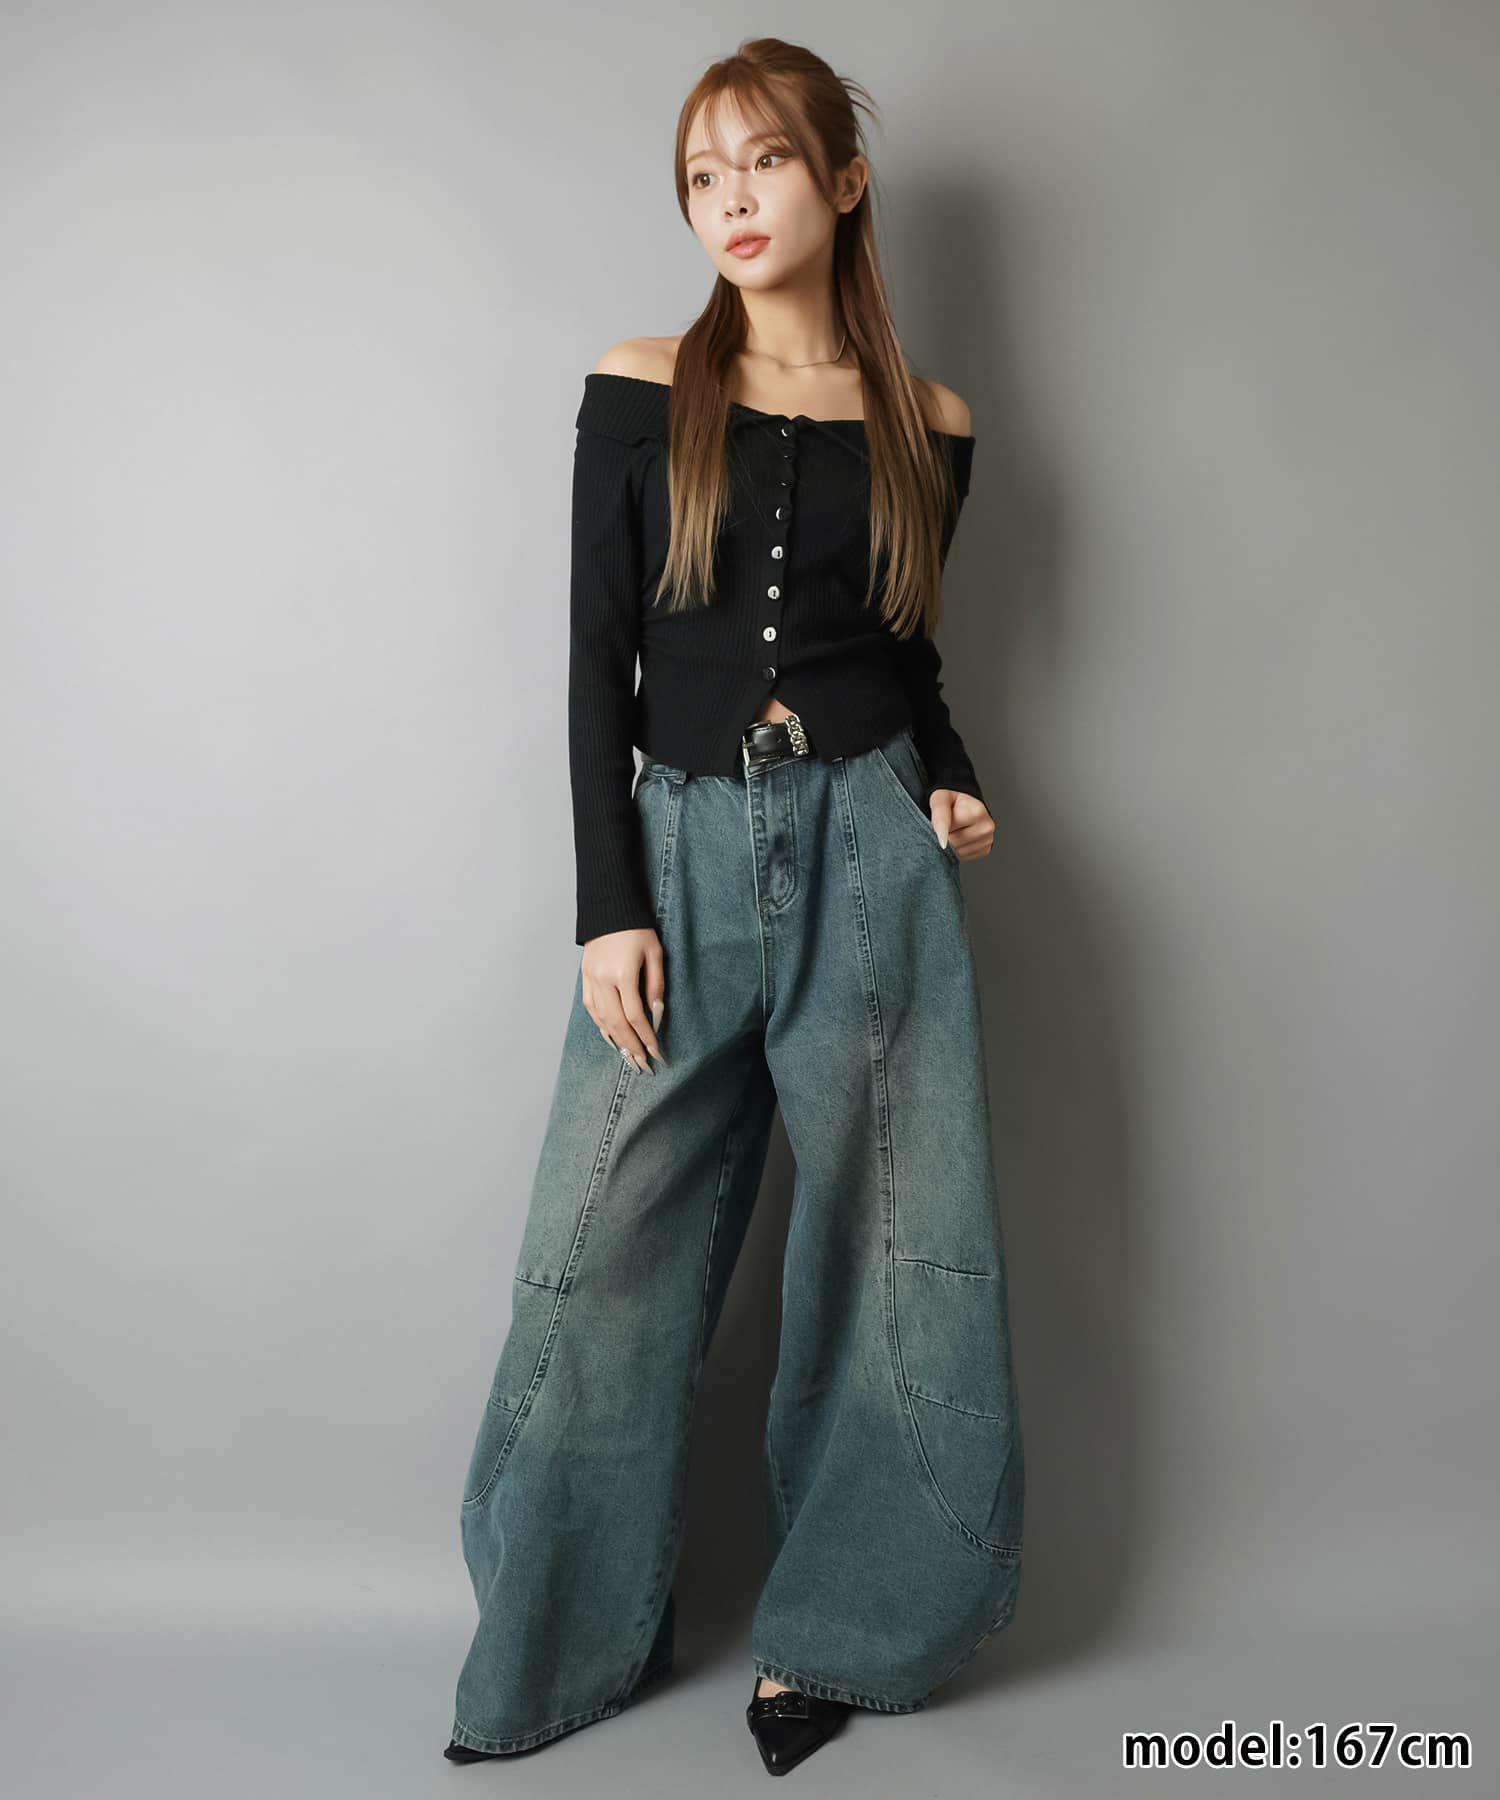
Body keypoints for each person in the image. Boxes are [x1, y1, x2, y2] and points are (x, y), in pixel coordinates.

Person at [446, 36, 1024, 1779]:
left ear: (843, 180)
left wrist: (946, 778)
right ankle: (562, 1635)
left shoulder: (931, 423)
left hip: (873, 853)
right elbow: (595, 664)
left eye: (765, 162)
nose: (733, 201)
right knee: (597, 1252)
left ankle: (842, 1631)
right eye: (704, 176)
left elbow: (909, 658)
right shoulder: (641, 384)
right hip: (681, 850)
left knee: (899, 1249)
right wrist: (606, 906)